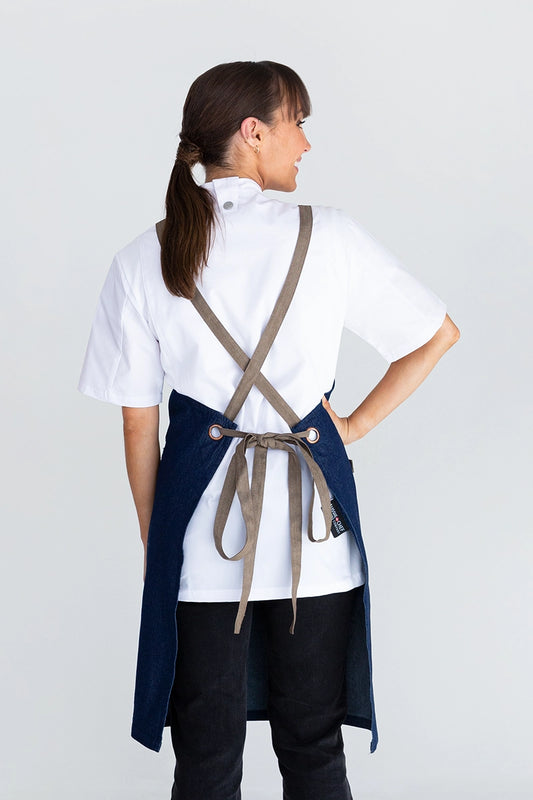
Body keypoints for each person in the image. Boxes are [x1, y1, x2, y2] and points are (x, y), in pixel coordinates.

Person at [78, 60, 459, 800]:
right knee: (314, 749)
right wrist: (351, 426)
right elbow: (435, 334)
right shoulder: (329, 236)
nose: (306, 144)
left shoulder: (143, 256)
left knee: (205, 760)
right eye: (298, 124)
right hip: (317, 536)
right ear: (253, 132)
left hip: (199, 539)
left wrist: (161, 540)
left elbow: (137, 420)